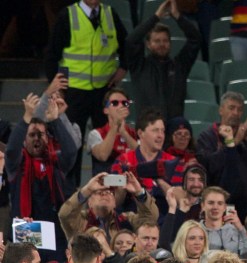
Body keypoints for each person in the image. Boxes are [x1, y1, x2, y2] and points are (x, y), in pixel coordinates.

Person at [44, 0, 128, 185]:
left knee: (106, 142)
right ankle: (70, 194)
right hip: (74, 93)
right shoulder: (68, 15)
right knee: (71, 144)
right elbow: (52, 54)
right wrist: (57, 87)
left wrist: (124, 66)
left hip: (104, 91)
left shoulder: (110, 14)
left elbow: (127, 43)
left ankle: (106, 190)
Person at [5, 93, 78, 261]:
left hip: (56, 234)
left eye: (42, 134)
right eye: (32, 135)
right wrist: (26, 118)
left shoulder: (56, 163)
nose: (37, 138)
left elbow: (71, 151)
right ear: (24, 140)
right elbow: (10, 150)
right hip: (25, 232)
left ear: (48, 137)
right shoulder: (16, 165)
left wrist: (55, 120)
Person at [196, 92, 247, 221]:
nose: (235, 113)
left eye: (239, 110)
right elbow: (211, 166)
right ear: (221, 110)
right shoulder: (207, 137)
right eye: (231, 108)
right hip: (219, 205)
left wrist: (246, 139)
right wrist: (233, 143)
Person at [125, 0, 201, 121]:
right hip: (147, 132)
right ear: (148, 44)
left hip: (173, 133)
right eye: (157, 41)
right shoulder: (139, 66)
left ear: (170, 43)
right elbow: (131, 41)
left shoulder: (179, 66)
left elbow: (195, 39)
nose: (162, 44)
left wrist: (177, 16)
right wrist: (155, 17)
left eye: (165, 41)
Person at [58, 171, 157, 244]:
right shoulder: (81, 221)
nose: (104, 194)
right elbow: (65, 215)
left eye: (109, 192)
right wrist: (87, 189)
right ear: (89, 202)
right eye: (98, 192)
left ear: (115, 203)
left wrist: (139, 192)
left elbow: (150, 219)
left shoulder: (126, 219)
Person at [111, 108, 185, 202]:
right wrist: (124, 182)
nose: (160, 135)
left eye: (163, 131)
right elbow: (114, 202)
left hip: (164, 215)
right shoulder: (122, 161)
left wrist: (159, 179)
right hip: (131, 215)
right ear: (140, 133)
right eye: (155, 130)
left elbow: (182, 202)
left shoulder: (174, 162)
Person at [85, 88, 137, 176]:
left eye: (125, 103)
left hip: (130, 183)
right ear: (106, 110)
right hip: (105, 184)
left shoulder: (134, 133)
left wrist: (124, 133)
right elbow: (102, 156)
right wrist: (115, 126)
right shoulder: (95, 134)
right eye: (115, 103)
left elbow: (143, 158)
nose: (121, 106)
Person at [197, 187, 247, 256]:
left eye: (220, 203)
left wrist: (240, 227)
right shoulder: (194, 230)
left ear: (224, 207)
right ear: (203, 206)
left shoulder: (235, 230)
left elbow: (246, 253)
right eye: (211, 203)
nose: (215, 207)